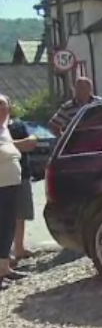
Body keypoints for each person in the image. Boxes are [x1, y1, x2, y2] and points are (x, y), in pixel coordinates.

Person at [0, 94, 35, 289]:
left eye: (5, 107)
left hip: (11, 183)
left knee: (8, 228)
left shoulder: (5, 128)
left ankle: (5, 268)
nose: (3, 111)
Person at [7, 112, 37, 265]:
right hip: (3, 178)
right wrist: (19, 144)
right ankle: (6, 254)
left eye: (4, 106)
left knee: (21, 213)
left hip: (22, 173)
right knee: (5, 216)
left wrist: (8, 144)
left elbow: (32, 142)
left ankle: (19, 248)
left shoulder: (18, 124)